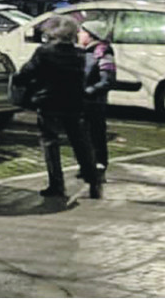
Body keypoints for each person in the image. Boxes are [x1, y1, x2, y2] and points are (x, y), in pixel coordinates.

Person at [16, 15, 100, 200]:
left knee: (50, 142)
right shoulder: (79, 54)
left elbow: (27, 72)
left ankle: (56, 184)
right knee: (80, 141)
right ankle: (92, 178)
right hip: (74, 102)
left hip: (49, 101)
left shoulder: (44, 52)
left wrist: (19, 81)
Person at [81, 25, 117, 185]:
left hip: (94, 102)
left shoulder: (103, 52)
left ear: (91, 35)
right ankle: (87, 166)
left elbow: (107, 80)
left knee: (96, 134)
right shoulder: (84, 52)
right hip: (82, 102)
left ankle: (99, 165)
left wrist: (88, 91)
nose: (79, 35)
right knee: (83, 135)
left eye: (82, 32)